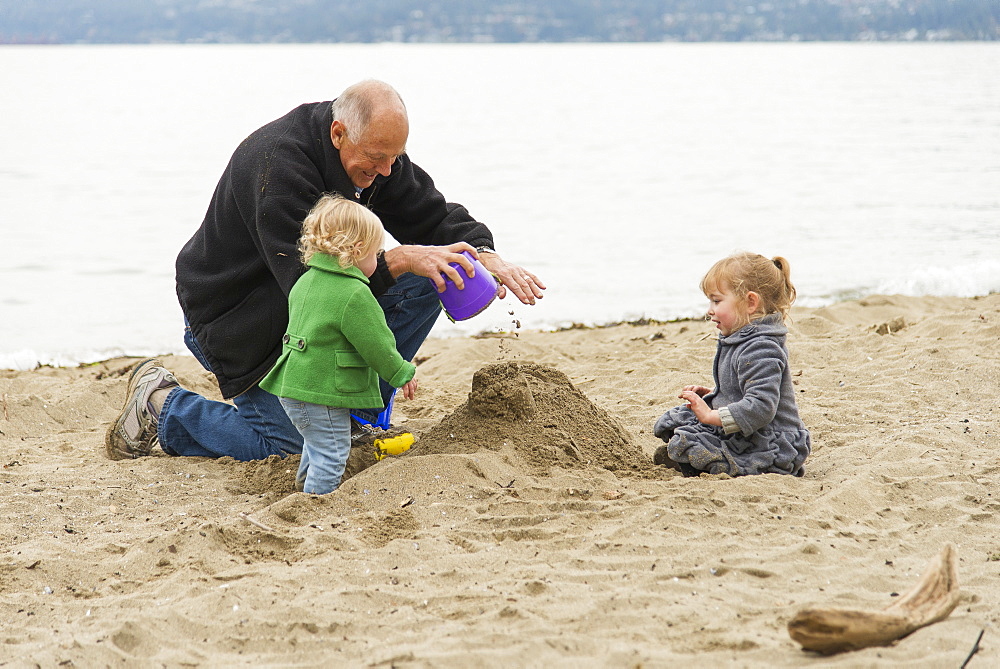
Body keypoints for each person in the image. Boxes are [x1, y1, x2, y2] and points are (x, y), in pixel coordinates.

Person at [104, 79, 545, 462]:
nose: (387, 170)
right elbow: (314, 287)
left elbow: (429, 215)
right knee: (296, 446)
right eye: (378, 158)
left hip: (306, 305)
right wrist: (401, 258)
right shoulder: (279, 165)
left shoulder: (374, 156)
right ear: (339, 133)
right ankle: (163, 405)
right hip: (235, 316)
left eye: (396, 158)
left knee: (439, 267)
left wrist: (485, 255)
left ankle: (356, 409)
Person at [260, 195, 417, 494]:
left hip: (293, 385)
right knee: (332, 455)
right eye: (376, 253)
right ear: (357, 251)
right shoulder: (354, 294)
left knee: (317, 444)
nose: (378, 260)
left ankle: (304, 489)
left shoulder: (305, 282)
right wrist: (401, 373)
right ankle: (314, 504)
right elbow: (378, 344)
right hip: (321, 392)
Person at [652, 252, 810, 477]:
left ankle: (694, 464)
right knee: (676, 420)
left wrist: (709, 416)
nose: (709, 309)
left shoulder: (761, 347)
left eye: (716, 301)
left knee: (692, 441)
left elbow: (761, 407)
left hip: (770, 438)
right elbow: (743, 388)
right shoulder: (741, 337)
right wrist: (718, 394)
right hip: (748, 428)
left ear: (750, 302)